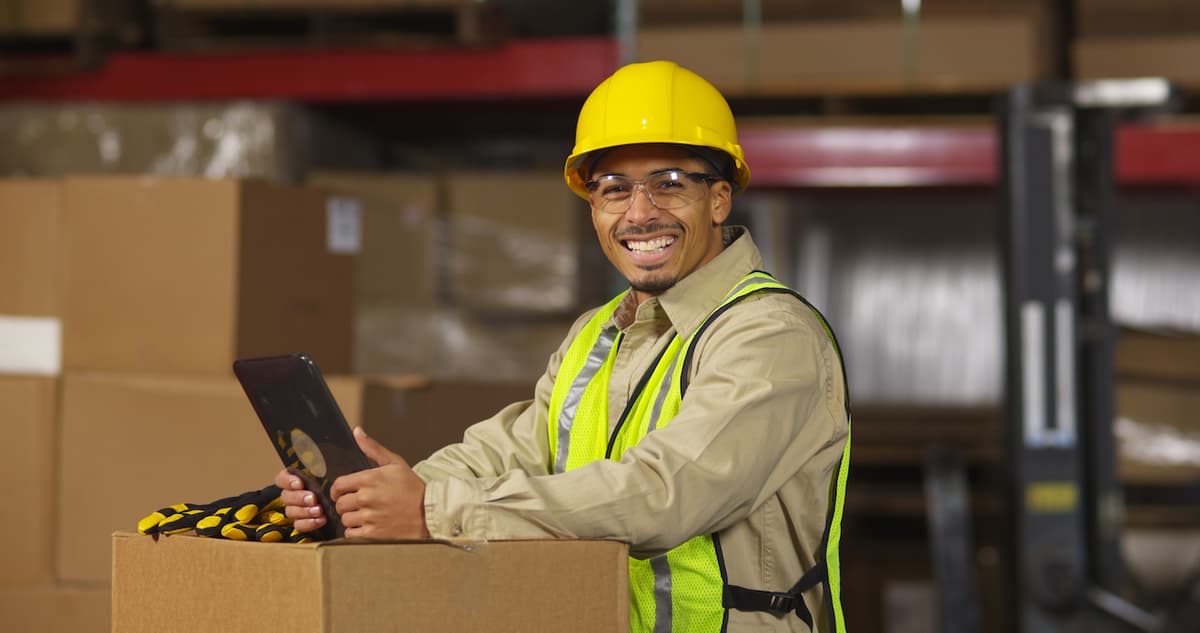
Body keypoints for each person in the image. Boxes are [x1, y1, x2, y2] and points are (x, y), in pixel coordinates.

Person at [277, 59, 851, 633]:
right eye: (614, 189)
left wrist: (429, 511)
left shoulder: (770, 334)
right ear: (593, 207)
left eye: (670, 184)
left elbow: (666, 492)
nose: (640, 212)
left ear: (719, 199)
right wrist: (368, 495)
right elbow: (512, 450)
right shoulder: (599, 332)